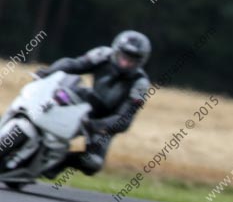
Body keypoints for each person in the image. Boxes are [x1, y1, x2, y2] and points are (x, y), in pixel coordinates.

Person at [35, 30, 152, 177]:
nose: (125, 63)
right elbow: (74, 64)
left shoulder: (140, 83)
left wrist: (95, 125)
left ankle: (58, 163)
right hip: (86, 99)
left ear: (140, 62)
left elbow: (125, 119)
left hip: (103, 121)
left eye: (132, 60)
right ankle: (27, 124)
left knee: (93, 163)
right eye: (124, 56)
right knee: (57, 97)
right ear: (116, 51)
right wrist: (49, 72)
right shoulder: (102, 55)